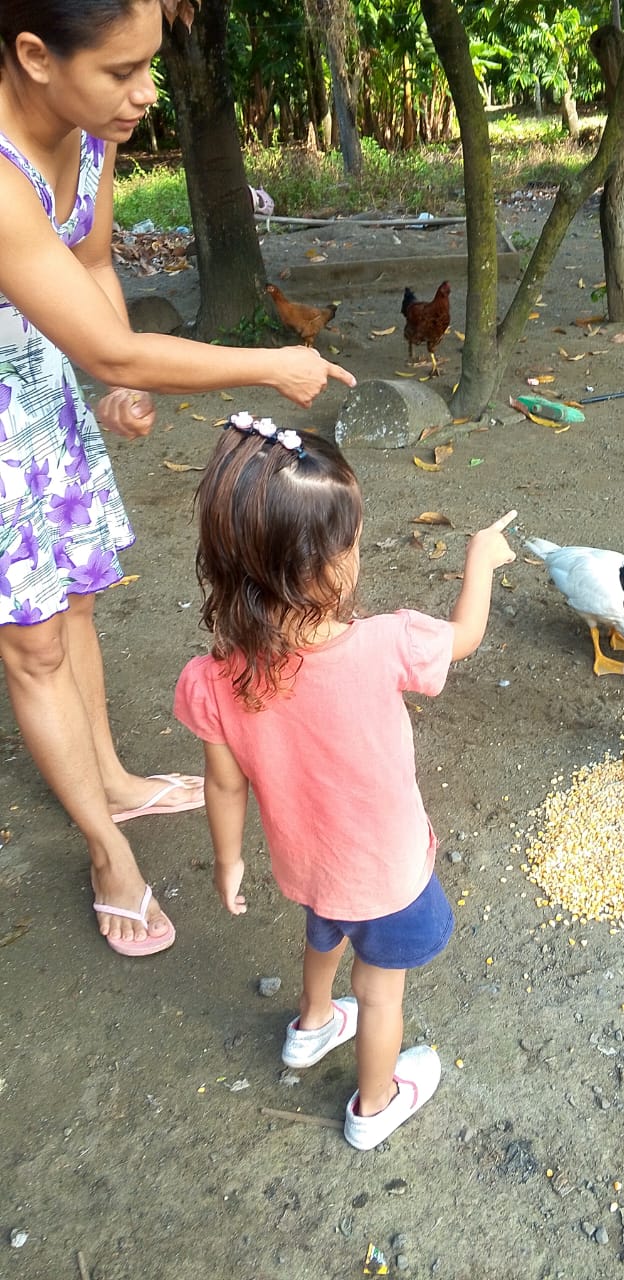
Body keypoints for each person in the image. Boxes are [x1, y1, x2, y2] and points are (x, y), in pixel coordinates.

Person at [0, 1, 355, 956]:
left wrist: (113, 384)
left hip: (35, 393)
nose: (144, 94)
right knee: (31, 644)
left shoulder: (91, 131)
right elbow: (110, 344)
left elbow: (89, 262)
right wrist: (266, 365)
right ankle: (107, 851)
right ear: (35, 55)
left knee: (76, 600)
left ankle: (112, 779)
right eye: (121, 71)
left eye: (149, 66)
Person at [173, 413, 516, 1150]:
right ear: (324, 566)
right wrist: (480, 561)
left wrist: (229, 860)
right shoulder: (387, 643)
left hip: (308, 864)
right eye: (351, 542)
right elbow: (465, 637)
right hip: (384, 873)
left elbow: (224, 786)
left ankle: (313, 1025)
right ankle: (375, 1105)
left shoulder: (214, 677)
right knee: (380, 989)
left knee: (323, 934)